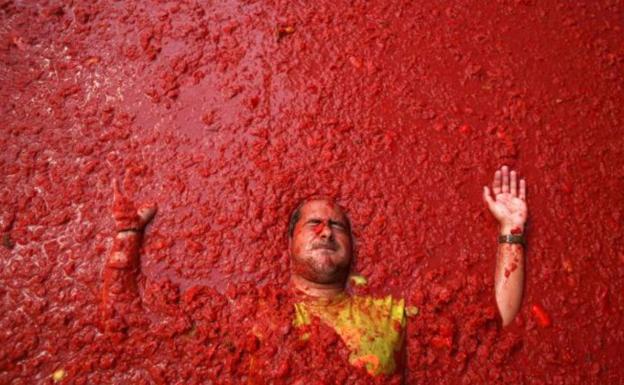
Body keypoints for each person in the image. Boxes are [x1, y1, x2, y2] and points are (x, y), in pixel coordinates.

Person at [100, 165, 528, 379]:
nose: (327, 231)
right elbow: (131, 324)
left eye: (338, 226)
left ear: (352, 249)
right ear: (289, 244)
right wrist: (126, 237)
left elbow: (497, 316)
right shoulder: (246, 315)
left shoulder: (390, 316)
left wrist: (511, 232)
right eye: (314, 224)